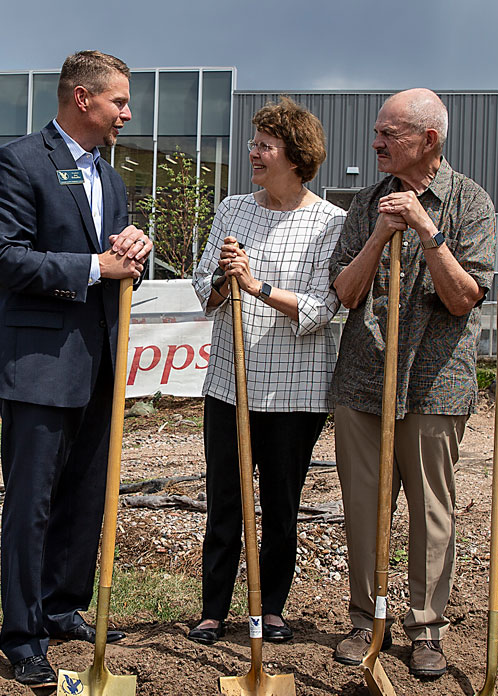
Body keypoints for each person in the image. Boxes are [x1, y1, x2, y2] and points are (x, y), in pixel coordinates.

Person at [0, 51, 153, 688]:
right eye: (119, 102)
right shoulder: (17, 163)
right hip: (38, 366)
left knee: (85, 496)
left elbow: (113, 256)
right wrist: (91, 267)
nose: (126, 114)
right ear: (83, 99)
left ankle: (60, 605)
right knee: (31, 505)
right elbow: (4, 259)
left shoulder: (112, 176)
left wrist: (133, 247)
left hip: (98, 362)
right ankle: (22, 635)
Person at [330, 88, 495, 677]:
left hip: (435, 380)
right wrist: (380, 234)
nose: (375, 143)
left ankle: (426, 628)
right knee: (363, 508)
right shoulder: (364, 202)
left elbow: (464, 298)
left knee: (431, 511)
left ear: (428, 140)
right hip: (363, 380)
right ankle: (365, 619)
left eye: (389, 134)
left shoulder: (469, 203)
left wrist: (426, 227)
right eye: (377, 132)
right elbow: (345, 292)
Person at [190, 97, 346, 645]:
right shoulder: (233, 209)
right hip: (231, 384)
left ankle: (272, 607)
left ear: (296, 156)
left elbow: (324, 309)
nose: (253, 153)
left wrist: (256, 286)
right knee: (225, 499)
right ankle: (213, 610)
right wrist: (221, 280)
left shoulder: (331, 223)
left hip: (295, 391)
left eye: (264, 145)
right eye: (254, 142)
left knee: (282, 503)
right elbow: (201, 290)